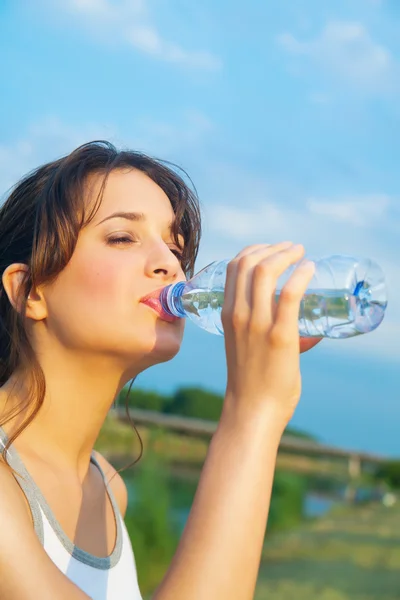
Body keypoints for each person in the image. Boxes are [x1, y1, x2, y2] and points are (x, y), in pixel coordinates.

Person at [0, 141, 320, 600]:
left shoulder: (108, 487)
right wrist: (253, 412)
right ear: (30, 290)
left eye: (174, 246)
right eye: (123, 238)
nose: (170, 264)